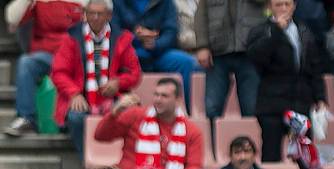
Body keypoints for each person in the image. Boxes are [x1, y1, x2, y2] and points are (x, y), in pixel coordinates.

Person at [51, 0, 142, 159]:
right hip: (82, 97)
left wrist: (118, 82)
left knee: (130, 114)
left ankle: (119, 163)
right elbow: (59, 72)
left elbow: (134, 73)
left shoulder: (122, 38)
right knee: (75, 117)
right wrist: (74, 93)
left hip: (113, 99)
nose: (95, 17)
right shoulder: (72, 38)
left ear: (109, 15)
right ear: (85, 14)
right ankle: (88, 162)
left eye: (99, 14)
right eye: (91, 13)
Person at [94, 77, 203, 169]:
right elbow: (101, 136)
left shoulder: (191, 130)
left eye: (164, 96)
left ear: (178, 100)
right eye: (156, 94)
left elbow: (195, 165)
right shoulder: (135, 115)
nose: (158, 99)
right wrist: (114, 112)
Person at [247, 0, 326, 161]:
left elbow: (315, 67)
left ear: (294, 6)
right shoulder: (261, 30)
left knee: (304, 154)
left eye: (287, 4)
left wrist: (320, 97)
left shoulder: (304, 30)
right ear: (270, 7)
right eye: (278, 5)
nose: (283, 8)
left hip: (300, 102)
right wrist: (276, 31)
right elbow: (256, 58)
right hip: (272, 104)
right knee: (271, 153)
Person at [4, 0, 85, 136]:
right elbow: (13, 19)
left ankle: (69, 119)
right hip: (47, 55)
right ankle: (26, 118)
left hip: (74, 58)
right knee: (26, 62)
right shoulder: (39, 2)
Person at [112, 0, 199, 111]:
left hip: (158, 52)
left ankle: (186, 111)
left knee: (185, 62)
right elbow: (115, 31)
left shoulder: (165, 2)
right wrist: (136, 37)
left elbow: (171, 31)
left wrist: (155, 43)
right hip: (131, 53)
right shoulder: (119, 2)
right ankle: (122, 112)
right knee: (114, 64)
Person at [194, 0, 265, 121]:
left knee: (251, 108)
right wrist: (202, 46)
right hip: (218, 51)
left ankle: (252, 140)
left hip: (250, 51)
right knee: (212, 107)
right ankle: (211, 139)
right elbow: (201, 15)